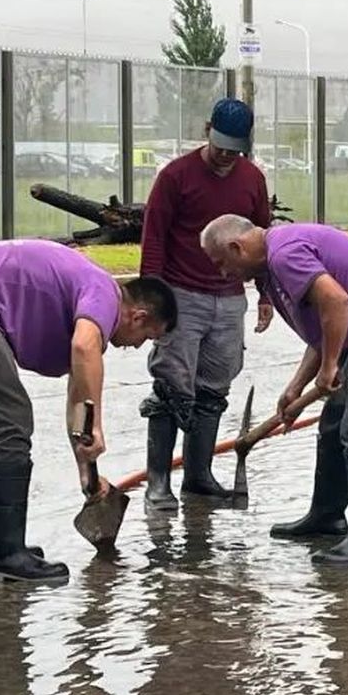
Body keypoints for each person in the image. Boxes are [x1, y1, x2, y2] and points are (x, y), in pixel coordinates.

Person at [0, 238, 177, 585]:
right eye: (146, 337)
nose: (137, 346)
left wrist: (85, 468)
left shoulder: (91, 292)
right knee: (8, 427)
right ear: (139, 316)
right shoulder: (104, 294)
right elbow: (84, 347)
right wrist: (97, 430)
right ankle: (4, 557)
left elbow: (78, 392)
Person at [199, 215, 348, 566]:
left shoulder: (284, 254)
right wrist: (296, 387)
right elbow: (324, 325)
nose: (222, 273)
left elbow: (336, 302)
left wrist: (329, 366)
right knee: (334, 425)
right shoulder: (273, 267)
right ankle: (327, 516)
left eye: (220, 263)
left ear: (236, 247)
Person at [138, 97, 274, 512]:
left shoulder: (252, 179)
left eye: (235, 151)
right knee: (171, 387)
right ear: (205, 131)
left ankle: (198, 477)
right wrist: (154, 302)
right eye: (220, 149)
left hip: (229, 301)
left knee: (214, 389)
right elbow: (154, 238)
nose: (225, 159)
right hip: (182, 297)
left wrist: (265, 293)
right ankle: (158, 483)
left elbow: (262, 240)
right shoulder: (175, 176)